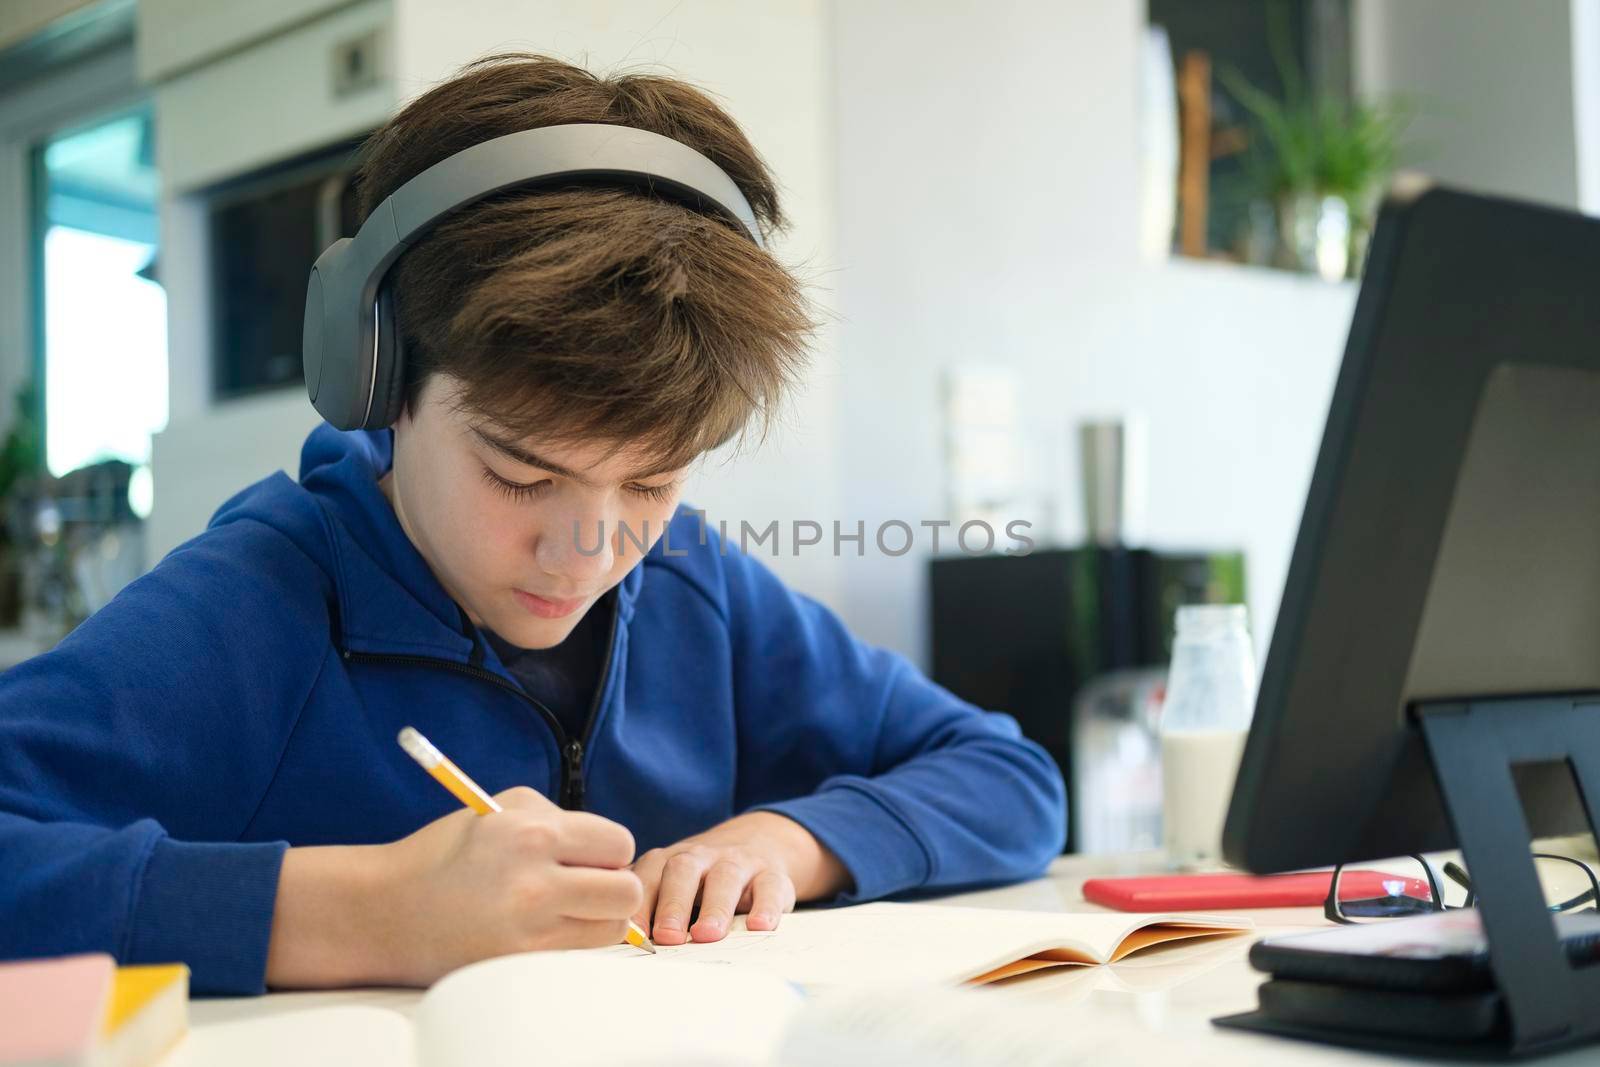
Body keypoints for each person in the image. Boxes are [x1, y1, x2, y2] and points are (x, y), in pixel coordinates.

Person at [0, 53, 1065, 995]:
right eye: (519, 473)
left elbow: (1009, 777)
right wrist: (359, 908)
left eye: (651, 484)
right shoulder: (261, 598)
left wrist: (789, 840)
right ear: (381, 380)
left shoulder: (699, 586)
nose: (592, 549)